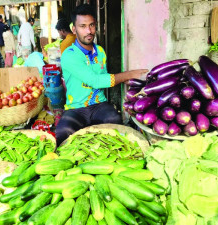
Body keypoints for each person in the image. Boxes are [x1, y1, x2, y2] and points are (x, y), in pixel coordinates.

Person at [55, 4, 148, 146]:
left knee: (115, 121)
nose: (88, 31)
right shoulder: (69, 55)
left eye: (91, 25)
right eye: (83, 26)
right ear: (74, 29)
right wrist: (128, 74)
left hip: (99, 104)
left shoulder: (100, 51)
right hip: (76, 108)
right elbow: (95, 81)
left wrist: (127, 81)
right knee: (62, 133)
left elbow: (103, 77)